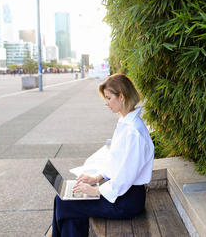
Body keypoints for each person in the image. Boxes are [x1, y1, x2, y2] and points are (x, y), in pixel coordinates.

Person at [50, 73, 154, 237]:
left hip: (126, 201)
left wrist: (94, 192)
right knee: (62, 199)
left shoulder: (133, 131)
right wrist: (96, 178)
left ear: (121, 96)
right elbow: (117, 163)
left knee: (66, 203)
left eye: (108, 98)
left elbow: (125, 177)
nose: (106, 103)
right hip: (122, 194)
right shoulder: (125, 123)